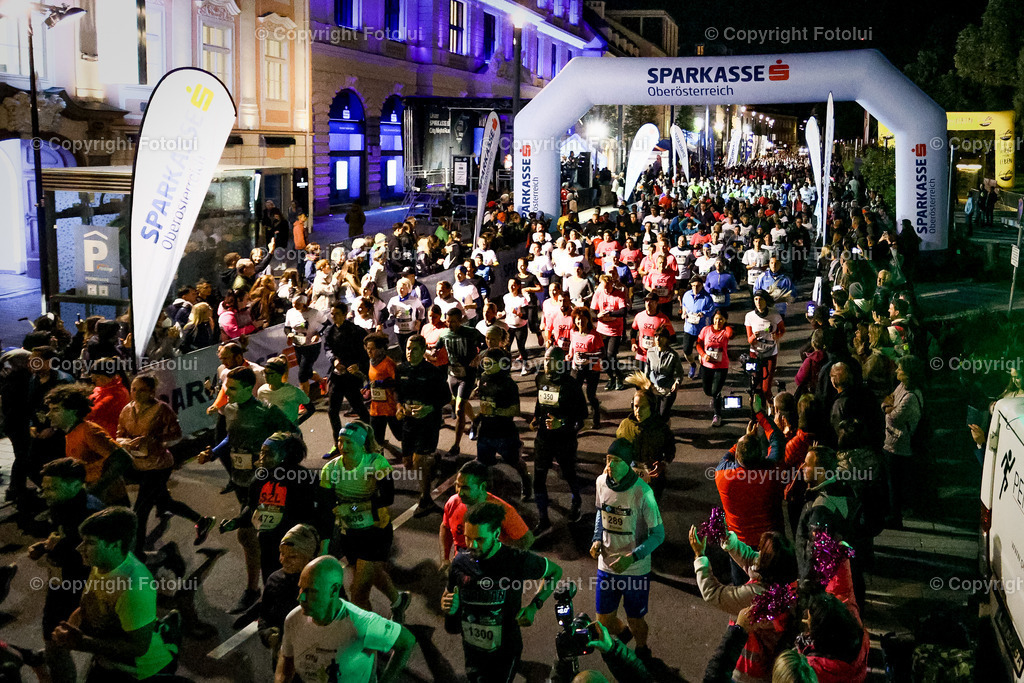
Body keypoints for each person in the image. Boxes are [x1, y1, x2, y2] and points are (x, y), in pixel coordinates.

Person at [198, 366, 297, 613]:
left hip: (263, 481)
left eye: (232, 389)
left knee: (249, 535)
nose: (226, 393)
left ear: (248, 388)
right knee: (259, 536)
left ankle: (259, 590)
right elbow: (231, 438)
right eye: (225, 387)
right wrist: (213, 453)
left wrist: (271, 457)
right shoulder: (230, 410)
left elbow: (292, 435)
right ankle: (276, 586)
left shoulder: (267, 412)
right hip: (241, 480)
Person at [442, 501, 563, 683]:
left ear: (496, 534)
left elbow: (555, 572)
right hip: (472, 652)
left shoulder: (516, 560)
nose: (471, 545)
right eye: (468, 538)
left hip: (505, 653)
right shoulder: (460, 562)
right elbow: (450, 599)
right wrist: (448, 606)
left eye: (480, 539)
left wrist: (534, 606)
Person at [50, 507, 174, 680]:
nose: (80, 548)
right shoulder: (103, 564)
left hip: (136, 672)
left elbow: (139, 648)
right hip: (107, 662)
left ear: (115, 544)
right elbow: (90, 605)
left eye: (90, 542)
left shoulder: (134, 588)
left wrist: (84, 643)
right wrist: (69, 631)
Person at [320, 421, 410, 619]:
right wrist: (325, 542)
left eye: (349, 442)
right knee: (375, 573)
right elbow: (326, 507)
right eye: (340, 441)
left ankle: (368, 637)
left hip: (375, 530)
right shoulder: (330, 469)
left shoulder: (376, 463)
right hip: (349, 532)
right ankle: (398, 600)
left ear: (361, 444)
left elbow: (387, 498)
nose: (343, 447)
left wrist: (352, 507)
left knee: (358, 592)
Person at [276, 555, 415, 683]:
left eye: (311, 591)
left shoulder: (361, 623)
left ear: (334, 590)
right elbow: (286, 660)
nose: (301, 598)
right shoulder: (294, 620)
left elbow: (406, 641)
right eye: (301, 588)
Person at [117, 375, 215, 554]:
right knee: (164, 501)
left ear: (152, 391)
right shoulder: (126, 410)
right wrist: (126, 443)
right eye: (133, 389)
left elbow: (176, 434)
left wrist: (154, 440)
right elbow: (119, 434)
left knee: (141, 510)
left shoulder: (162, 410)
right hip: (138, 464)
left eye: (141, 390)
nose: (136, 394)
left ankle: (137, 554)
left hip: (159, 465)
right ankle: (202, 521)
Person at [29, 458, 104, 682]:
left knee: (70, 637)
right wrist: (44, 547)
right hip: (61, 582)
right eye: (44, 487)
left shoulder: (89, 515)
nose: (45, 492)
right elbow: (60, 537)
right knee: (54, 635)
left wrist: (58, 549)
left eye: (52, 487)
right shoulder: (62, 504)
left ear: (76, 484)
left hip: (81, 585)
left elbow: (97, 558)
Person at [691, 527, 798, 683]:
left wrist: (699, 556)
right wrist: (729, 540)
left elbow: (713, 593)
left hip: (749, 670)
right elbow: (751, 559)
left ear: (768, 564)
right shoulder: (785, 583)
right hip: (767, 663)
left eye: (762, 552)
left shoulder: (757, 596)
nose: (758, 554)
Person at [221, 432, 328, 588]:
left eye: (268, 453)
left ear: (285, 455)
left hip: (296, 545)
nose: (261, 457)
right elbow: (253, 506)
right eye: (262, 452)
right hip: (268, 541)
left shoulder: (305, 478)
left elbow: (322, 512)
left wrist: (321, 542)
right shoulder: (260, 477)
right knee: (272, 582)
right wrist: (237, 521)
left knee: (298, 586)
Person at [591, 439, 665, 662]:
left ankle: (642, 648)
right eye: (607, 460)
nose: (609, 466)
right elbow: (600, 511)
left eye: (615, 461)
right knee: (603, 620)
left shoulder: (643, 493)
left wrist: (632, 557)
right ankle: (623, 635)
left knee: (636, 619)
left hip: (635, 570)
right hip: (606, 565)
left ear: (627, 463)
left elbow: (658, 535)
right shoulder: (601, 482)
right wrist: (596, 539)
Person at [715, 396, 786, 585]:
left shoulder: (722, 477)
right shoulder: (772, 472)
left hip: (739, 544)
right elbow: (777, 439)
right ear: (761, 455)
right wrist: (760, 414)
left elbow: (725, 458)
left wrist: (742, 440)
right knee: (771, 587)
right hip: (769, 542)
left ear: (738, 456)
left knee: (741, 591)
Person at [45, 384, 132, 507]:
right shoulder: (71, 432)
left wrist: (95, 490)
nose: (48, 414)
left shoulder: (89, 431)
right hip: (98, 500)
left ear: (73, 410)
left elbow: (124, 459)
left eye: (55, 409)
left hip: (110, 501)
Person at [531, 346, 588, 533]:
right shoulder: (540, 378)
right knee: (538, 479)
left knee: (568, 473)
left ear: (561, 362)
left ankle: (577, 500)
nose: (546, 363)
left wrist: (562, 423)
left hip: (564, 440)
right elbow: (540, 403)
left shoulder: (571, 385)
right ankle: (543, 518)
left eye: (551, 360)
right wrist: (535, 418)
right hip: (543, 439)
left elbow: (582, 417)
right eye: (545, 360)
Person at [396, 334, 453, 517]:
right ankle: (434, 458)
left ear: (423, 351)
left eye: (414, 349)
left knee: (419, 461)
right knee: (408, 463)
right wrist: (399, 407)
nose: (409, 353)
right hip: (408, 421)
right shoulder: (401, 369)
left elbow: (446, 397)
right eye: (407, 349)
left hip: (428, 421)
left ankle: (425, 498)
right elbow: (398, 394)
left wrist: (429, 408)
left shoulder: (432, 372)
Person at [439, 461, 534, 569]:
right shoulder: (453, 503)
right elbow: (445, 527)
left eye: (465, 488)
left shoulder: (503, 510)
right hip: (463, 570)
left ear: (482, 486)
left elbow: (527, 539)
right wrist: (445, 559)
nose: (460, 492)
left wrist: (500, 555)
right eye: (457, 486)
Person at [257, 524, 320, 664]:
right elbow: (264, 615)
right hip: (283, 657)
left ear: (308, 557)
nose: (283, 560)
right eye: (282, 553)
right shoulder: (274, 580)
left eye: (293, 556)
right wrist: (266, 634)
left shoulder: (322, 581)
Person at [476, 347, 533, 499]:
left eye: (489, 363)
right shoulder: (483, 379)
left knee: (514, 461)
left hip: (504, 432)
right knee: (484, 464)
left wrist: (495, 411)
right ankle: (490, 494)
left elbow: (515, 410)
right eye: (484, 363)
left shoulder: (509, 385)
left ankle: (526, 480)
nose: (485, 366)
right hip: (486, 431)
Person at [883, 355, 925, 527]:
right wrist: (888, 405)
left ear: (908, 373)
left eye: (900, 368)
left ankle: (896, 516)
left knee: (895, 483)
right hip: (890, 441)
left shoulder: (911, 397)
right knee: (891, 481)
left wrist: (887, 408)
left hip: (899, 445)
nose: (897, 370)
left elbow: (892, 417)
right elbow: (887, 400)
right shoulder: (901, 386)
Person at [440, 307, 487, 458]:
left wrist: (478, 357)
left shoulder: (470, 332)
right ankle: (475, 420)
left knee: (459, 409)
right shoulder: (445, 334)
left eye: (453, 322)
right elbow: (436, 348)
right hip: (452, 374)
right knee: (458, 403)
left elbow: (486, 344)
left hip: (468, 374)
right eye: (448, 321)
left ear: (460, 320)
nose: (450, 325)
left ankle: (456, 445)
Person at [323, 302, 371, 436]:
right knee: (332, 411)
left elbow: (366, 353)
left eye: (337, 314)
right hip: (337, 375)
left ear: (345, 314)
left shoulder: (357, 331)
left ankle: (370, 438)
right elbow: (327, 349)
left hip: (352, 376)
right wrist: (334, 360)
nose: (334, 317)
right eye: (332, 314)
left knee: (359, 408)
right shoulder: (330, 331)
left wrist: (358, 365)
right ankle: (338, 442)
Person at [363, 333, 403, 457]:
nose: (369, 351)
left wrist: (382, 383)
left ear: (381, 349)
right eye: (367, 348)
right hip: (376, 408)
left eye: (372, 348)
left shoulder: (388, 363)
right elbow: (372, 379)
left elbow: (397, 382)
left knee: (400, 434)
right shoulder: (371, 362)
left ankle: (415, 452)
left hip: (390, 407)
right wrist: (368, 387)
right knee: (376, 438)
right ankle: (380, 463)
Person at [284, 293, 328, 396]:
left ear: (304, 304)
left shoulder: (315, 313)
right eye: (293, 303)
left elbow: (327, 325)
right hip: (298, 345)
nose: (294, 306)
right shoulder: (290, 312)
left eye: (297, 304)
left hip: (312, 346)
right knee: (306, 372)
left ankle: (304, 402)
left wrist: (318, 334)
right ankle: (322, 381)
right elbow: (287, 327)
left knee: (302, 375)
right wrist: (289, 334)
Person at [745, 289, 785, 402]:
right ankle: (758, 416)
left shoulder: (775, 315)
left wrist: (777, 336)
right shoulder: (749, 316)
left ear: (766, 301)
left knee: (766, 388)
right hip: (755, 354)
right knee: (755, 389)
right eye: (756, 299)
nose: (758, 302)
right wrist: (754, 336)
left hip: (770, 353)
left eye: (761, 299)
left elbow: (782, 330)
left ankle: (773, 406)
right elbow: (749, 340)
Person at [696, 309, 734, 427]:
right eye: (716, 319)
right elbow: (698, 344)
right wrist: (703, 355)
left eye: (721, 319)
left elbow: (730, 334)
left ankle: (717, 415)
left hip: (721, 366)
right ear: (713, 319)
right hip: (706, 365)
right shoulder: (706, 330)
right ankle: (714, 396)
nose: (718, 322)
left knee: (716, 391)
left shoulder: (725, 331)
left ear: (725, 320)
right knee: (707, 391)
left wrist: (727, 327)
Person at [591, 273, 629, 391]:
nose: (606, 290)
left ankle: (618, 377)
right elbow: (592, 311)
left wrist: (610, 314)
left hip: (615, 330)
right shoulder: (598, 293)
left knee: (611, 355)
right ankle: (611, 377)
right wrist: (597, 315)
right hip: (602, 330)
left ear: (612, 284)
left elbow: (623, 311)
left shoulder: (619, 294)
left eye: (608, 287)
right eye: (604, 287)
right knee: (603, 357)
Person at [570, 307, 605, 428]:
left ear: (588, 320)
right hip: (577, 367)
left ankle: (596, 418)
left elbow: (601, 353)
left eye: (583, 319)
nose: (580, 322)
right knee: (575, 394)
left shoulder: (594, 335)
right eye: (578, 320)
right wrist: (570, 354)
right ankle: (578, 420)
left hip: (592, 368)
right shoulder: (573, 332)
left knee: (590, 394)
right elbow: (572, 345)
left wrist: (587, 355)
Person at [257, 356, 313, 427]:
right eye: (265, 372)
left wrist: (296, 423)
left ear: (280, 374)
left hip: (289, 434)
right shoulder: (261, 391)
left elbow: (311, 409)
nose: (266, 376)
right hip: (271, 433)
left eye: (271, 374)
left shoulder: (293, 391)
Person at [680, 276, 717, 380]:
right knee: (686, 350)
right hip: (689, 328)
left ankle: (702, 367)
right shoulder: (687, 295)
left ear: (702, 285)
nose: (695, 288)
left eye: (698, 286)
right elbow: (684, 306)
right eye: (693, 286)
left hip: (702, 329)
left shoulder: (707, 298)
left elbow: (712, 310)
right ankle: (692, 365)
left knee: (702, 351)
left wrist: (703, 313)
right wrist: (684, 314)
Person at [86, 359, 130, 439]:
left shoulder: (117, 393)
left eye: (97, 377)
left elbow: (94, 412)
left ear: (109, 376)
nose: (93, 380)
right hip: (96, 431)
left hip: (108, 436)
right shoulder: (101, 388)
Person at [645, 328, 683, 419]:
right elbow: (647, 370)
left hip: (667, 390)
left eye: (661, 337)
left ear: (667, 339)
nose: (658, 339)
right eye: (656, 336)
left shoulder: (673, 355)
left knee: (663, 415)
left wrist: (677, 382)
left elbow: (680, 373)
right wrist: (645, 384)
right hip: (654, 388)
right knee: (653, 414)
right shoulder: (650, 352)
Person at [631, 294, 675, 370]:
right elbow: (633, 331)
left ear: (657, 303)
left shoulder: (663, 319)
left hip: (656, 355)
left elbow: (673, 337)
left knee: (653, 379)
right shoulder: (639, 316)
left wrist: (662, 347)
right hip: (641, 354)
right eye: (646, 301)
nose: (648, 304)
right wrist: (633, 343)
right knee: (640, 379)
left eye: (651, 302)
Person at [386, 277, 426, 353]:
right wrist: (393, 315)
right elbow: (388, 314)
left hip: (411, 330)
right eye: (399, 288)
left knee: (412, 350)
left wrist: (419, 320)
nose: (400, 291)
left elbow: (422, 309)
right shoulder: (393, 300)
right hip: (399, 331)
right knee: (403, 352)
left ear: (408, 289)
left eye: (403, 289)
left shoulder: (414, 300)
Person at [503, 278, 533, 375]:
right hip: (509, 326)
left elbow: (525, 316)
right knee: (506, 348)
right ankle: (507, 368)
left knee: (521, 347)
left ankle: (524, 366)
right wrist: (501, 314)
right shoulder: (506, 297)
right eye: (509, 285)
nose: (511, 287)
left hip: (520, 327)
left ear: (518, 286)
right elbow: (506, 311)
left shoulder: (522, 299)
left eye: (514, 285)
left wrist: (518, 313)